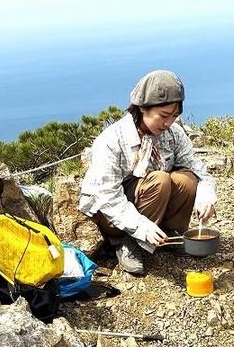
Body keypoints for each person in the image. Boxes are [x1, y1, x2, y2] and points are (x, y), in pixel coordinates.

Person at [78, 70, 217, 275]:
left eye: (174, 116)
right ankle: (128, 243)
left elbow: (199, 171)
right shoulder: (111, 140)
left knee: (187, 179)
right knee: (160, 180)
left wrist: (205, 199)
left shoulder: (174, 134)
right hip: (110, 216)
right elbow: (107, 197)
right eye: (163, 116)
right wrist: (140, 227)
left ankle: (167, 234)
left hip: (148, 200)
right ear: (142, 108)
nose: (168, 123)